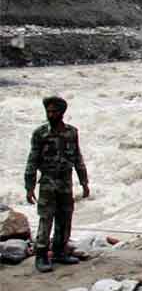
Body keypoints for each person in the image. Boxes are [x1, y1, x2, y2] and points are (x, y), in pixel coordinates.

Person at [25, 96, 89, 272]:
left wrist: (84, 182)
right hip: (47, 181)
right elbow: (32, 160)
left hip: (66, 180)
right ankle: (41, 254)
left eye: (54, 111)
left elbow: (77, 158)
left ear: (62, 113)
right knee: (46, 217)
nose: (50, 114)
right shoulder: (40, 133)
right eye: (48, 111)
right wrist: (29, 187)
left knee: (65, 215)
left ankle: (60, 251)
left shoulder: (72, 132)